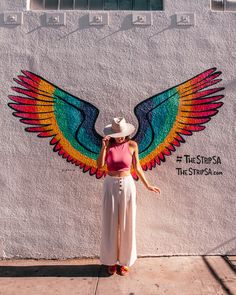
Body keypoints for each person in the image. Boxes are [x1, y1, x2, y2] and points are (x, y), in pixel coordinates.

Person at [97, 117, 161, 276]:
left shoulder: (132, 145)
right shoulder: (108, 145)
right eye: (116, 134)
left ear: (126, 133)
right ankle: (110, 261)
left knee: (127, 222)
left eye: (122, 134)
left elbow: (137, 166)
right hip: (110, 185)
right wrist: (104, 147)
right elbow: (99, 165)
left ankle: (125, 262)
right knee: (109, 223)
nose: (119, 137)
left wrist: (147, 185)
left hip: (127, 184)